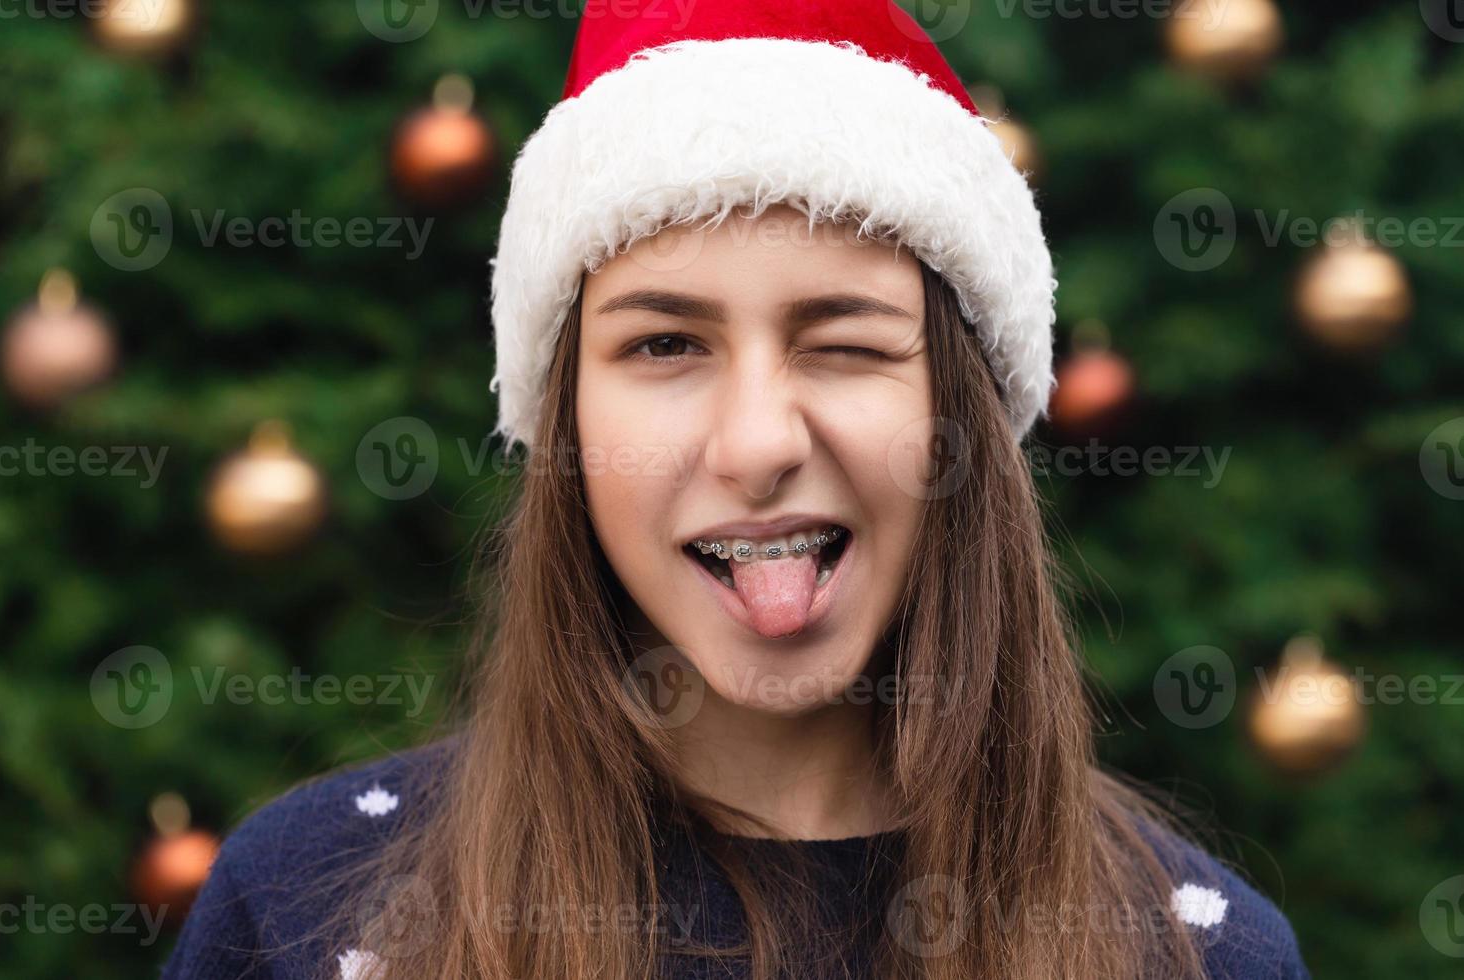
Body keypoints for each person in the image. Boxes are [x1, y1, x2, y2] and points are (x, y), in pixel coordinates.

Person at [161, 1, 1311, 978]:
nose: (758, 443)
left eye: (846, 343)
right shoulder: (308, 914)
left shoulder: (1197, 951)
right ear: (563, 420)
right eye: (664, 345)